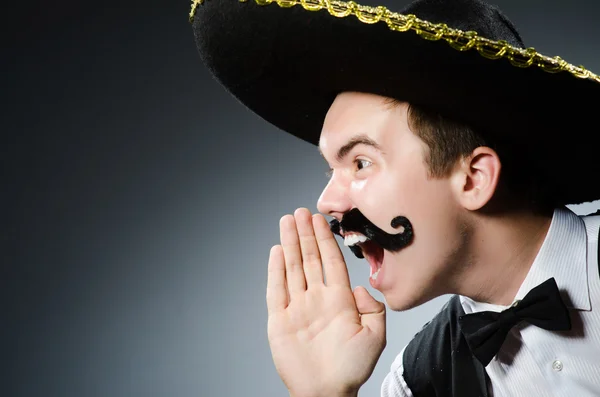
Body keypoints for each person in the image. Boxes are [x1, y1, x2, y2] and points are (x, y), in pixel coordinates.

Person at [189, 0, 600, 395]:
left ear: (474, 178)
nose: (327, 202)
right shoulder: (416, 383)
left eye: (361, 163)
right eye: (331, 169)